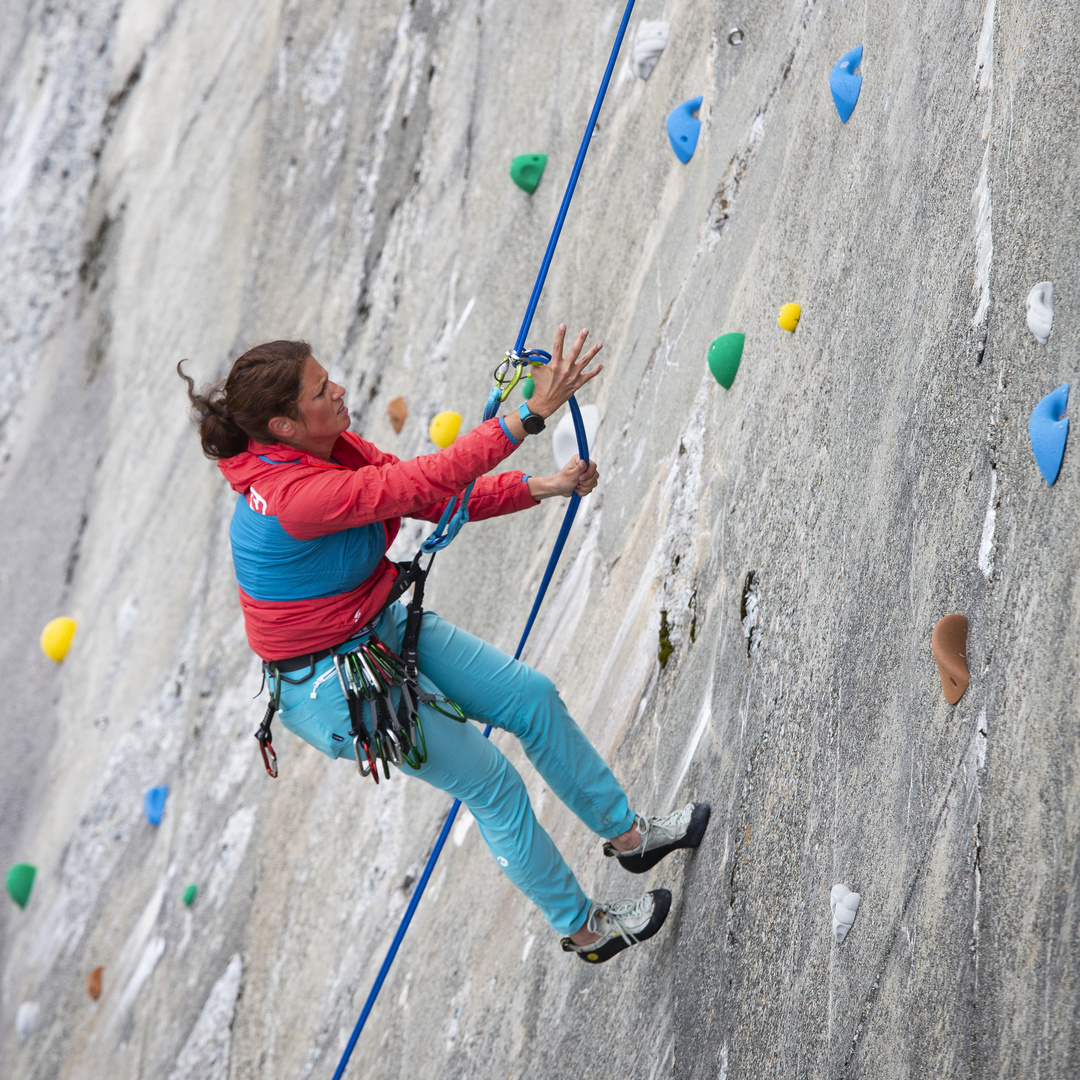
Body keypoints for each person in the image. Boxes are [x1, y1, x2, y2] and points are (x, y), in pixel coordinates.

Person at [179, 326, 709, 962]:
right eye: (322, 390)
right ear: (284, 426)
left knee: (531, 700)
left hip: (370, 628)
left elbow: (426, 491)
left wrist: (539, 486)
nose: (340, 390)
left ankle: (630, 838)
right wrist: (528, 416)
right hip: (328, 687)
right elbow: (417, 483)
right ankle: (584, 927)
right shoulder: (298, 498)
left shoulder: (331, 448)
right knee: (492, 784)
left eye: (329, 378)